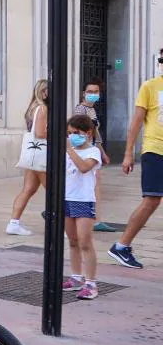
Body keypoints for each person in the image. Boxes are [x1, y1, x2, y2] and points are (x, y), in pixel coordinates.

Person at [108, 52, 163, 269]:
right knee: (152, 200)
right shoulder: (150, 87)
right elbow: (136, 122)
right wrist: (128, 153)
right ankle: (121, 246)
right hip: (155, 150)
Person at [62, 115, 102, 300]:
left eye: (75, 133)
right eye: (69, 133)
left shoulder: (93, 152)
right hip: (67, 199)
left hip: (84, 200)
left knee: (85, 242)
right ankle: (76, 277)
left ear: (87, 133)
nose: (71, 137)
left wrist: (70, 150)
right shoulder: (68, 151)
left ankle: (91, 282)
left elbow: (84, 168)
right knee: (73, 241)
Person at [7, 79, 49, 236]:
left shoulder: (33, 108)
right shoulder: (43, 109)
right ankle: (63, 225)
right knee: (55, 192)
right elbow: (39, 133)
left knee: (28, 189)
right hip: (41, 156)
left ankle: (14, 223)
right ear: (44, 92)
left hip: (33, 157)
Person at [73, 78, 115, 232]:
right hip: (84, 151)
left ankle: (95, 218)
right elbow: (78, 131)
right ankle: (95, 219)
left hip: (92, 149)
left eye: (96, 92)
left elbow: (95, 134)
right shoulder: (81, 110)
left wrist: (102, 152)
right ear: (84, 93)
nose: (93, 94)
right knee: (92, 183)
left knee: (94, 183)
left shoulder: (92, 109)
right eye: (90, 92)